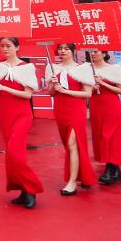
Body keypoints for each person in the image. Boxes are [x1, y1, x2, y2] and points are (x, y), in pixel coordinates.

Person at [0, 37, 43, 208]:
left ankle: (31, 188)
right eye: (2, 46)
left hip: (22, 114)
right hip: (5, 115)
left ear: (17, 47)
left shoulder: (26, 68)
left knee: (15, 152)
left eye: (8, 46)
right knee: (11, 154)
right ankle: (23, 190)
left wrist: (4, 87)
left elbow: (28, 95)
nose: (5, 49)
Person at [46, 42, 96, 196]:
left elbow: (88, 93)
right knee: (68, 144)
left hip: (76, 109)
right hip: (60, 109)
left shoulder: (83, 69)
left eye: (66, 48)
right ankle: (84, 174)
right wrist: (54, 85)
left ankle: (72, 182)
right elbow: (51, 93)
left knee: (72, 143)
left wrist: (66, 91)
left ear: (73, 51)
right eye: (60, 49)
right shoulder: (53, 68)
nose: (63, 51)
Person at [88, 50, 121, 185]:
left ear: (104, 54)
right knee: (100, 136)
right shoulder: (87, 69)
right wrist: (93, 87)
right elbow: (85, 91)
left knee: (109, 136)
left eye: (96, 51)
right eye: (92, 51)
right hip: (96, 105)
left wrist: (103, 83)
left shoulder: (114, 69)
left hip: (111, 105)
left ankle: (110, 169)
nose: (93, 54)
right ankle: (114, 170)